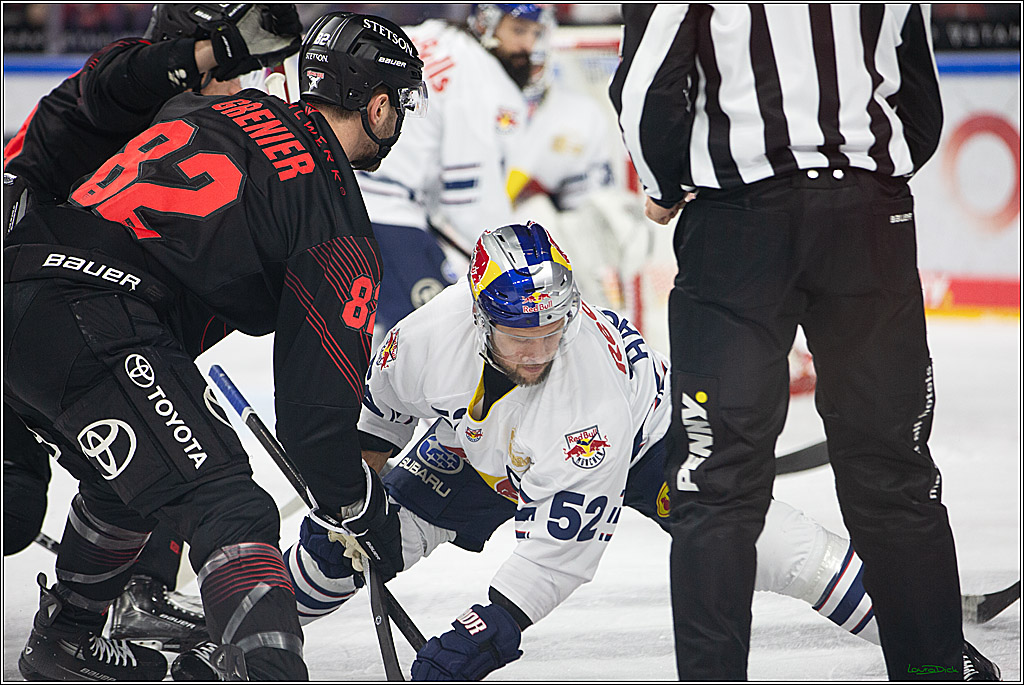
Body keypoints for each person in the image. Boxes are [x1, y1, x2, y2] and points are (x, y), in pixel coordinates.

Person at [278, 222, 999, 680]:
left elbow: (560, 552)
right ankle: (247, 623)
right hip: (477, 447)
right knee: (347, 546)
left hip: (647, 444)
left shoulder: (583, 397)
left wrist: (488, 627)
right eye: (519, 334)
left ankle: (926, 641)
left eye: (552, 329)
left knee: (770, 547)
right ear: (477, 315)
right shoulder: (425, 336)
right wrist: (357, 496)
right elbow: (379, 419)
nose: (538, 351)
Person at [4, 10, 424, 681]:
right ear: (378, 106)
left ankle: (68, 638)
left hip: (21, 280)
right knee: (232, 505)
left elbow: (79, 116)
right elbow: (317, 427)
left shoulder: (235, 108)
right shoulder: (334, 217)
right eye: (401, 105)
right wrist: (358, 504)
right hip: (91, 314)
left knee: (140, 478)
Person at [610, 4, 973, 680]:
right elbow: (918, 104)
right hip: (870, 222)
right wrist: (867, 178)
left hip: (739, 227)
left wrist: (663, 182)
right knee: (895, 477)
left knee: (716, 481)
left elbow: (648, 84)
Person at [2, 2, 303, 654]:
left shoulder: (180, 132)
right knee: (13, 501)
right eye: (227, 69)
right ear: (186, 58)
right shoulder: (113, 93)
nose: (239, 89)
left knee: (149, 431)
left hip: (59, 327)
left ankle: (125, 595)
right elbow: (129, 78)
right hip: (28, 314)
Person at [354, 3, 620, 333]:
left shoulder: (432, 34)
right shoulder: (487, 84)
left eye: (536, 33)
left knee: (391, 340)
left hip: (350, 196)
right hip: (386, 213)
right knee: (441, 334)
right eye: (518, 30)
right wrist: (516, 267)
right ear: (486, 23)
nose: (528, 46)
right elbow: (468, 204)